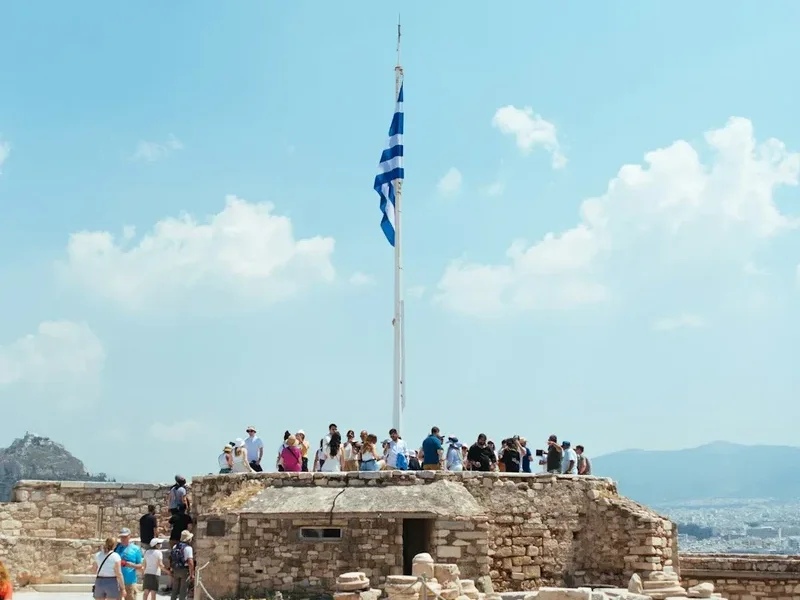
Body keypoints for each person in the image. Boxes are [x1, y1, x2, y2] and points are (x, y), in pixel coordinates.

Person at [114, 528, 143, 600]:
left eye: (125, 537)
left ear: (129, 536)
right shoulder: (116, 548)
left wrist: (131, 565)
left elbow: (140, 565)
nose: (123, 539)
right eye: (121, 537)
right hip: (117, 581)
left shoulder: (136, 549)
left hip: (130, 581)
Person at [169, 530, 195, 600]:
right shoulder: (188, 548)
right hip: (184, 570)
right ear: (189, 539)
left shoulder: (175, 546)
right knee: (183, 590)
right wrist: (192, 573)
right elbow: (190, 561)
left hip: (175, 569)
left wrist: (171, 569)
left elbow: (171, 558)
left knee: (174, 589)